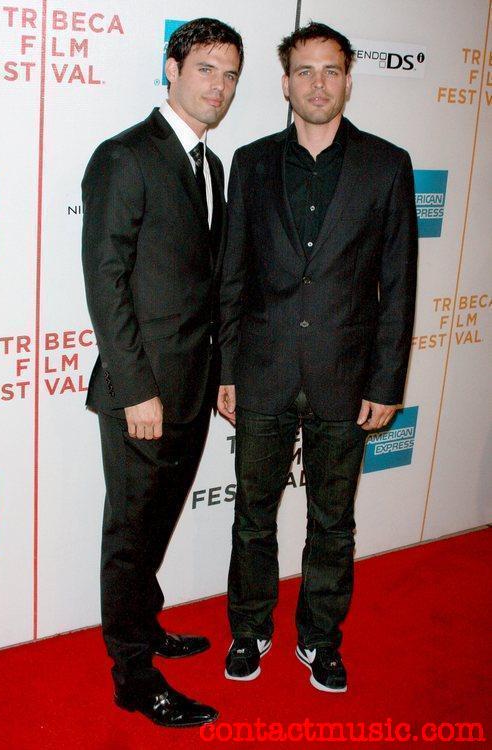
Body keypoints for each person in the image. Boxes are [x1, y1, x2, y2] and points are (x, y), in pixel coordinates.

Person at [217, 21, 417, 693]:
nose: (318, 83)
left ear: (348, 80)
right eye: (304, 71)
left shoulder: (387, 165)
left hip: (346, 376)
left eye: (330, 70)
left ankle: (319, 638)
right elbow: (232, 276)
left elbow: (399, 280)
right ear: (285, 84)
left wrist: (388, 379)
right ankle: (249, 629)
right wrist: (226, 371)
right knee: (253, 513)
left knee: (333, 522)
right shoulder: (250, 162)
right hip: (264, 372)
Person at [82, 17, 243, 728]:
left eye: (231, 74)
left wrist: (224, 374)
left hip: (194, 387)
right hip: (143, 392)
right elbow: (106, 279)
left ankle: (144, 629)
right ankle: (132, 676)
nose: (220, 86)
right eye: (206, 68)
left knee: (156, 526)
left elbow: (214, 285)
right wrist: (136, 387)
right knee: (131, 533)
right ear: (171, 69)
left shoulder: (210, 165)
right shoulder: (126, 156)